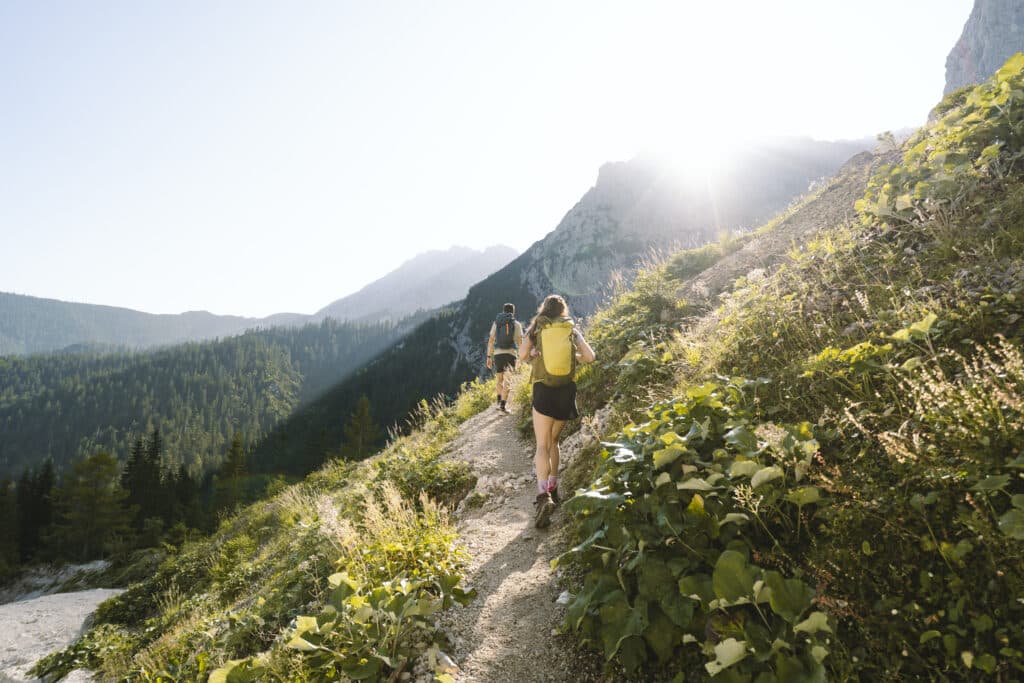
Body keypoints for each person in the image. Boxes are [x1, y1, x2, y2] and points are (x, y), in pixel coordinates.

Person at [518, 294, 595, 528]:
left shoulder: (536, 328)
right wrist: (575, 356)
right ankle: (554, 487)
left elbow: (521, 356)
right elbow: (590, 357)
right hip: (566, 390)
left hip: (543, 389)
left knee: (541, 444)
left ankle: (544, 496)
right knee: (554, 441)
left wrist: (532, 355)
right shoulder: (571, 328)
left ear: (544, 308)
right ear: (563, 310)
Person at [486, 303, 524, 414]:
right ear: (513, 312)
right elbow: (520, 342)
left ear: (503, 311)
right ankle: (503, 406)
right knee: (507, 380)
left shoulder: (496, 323)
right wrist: (521, 358)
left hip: (497, 354)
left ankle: (498, 403)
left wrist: (489, 356)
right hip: (510, 354)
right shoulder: (516, 324)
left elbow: (491, 340)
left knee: (499, 379)